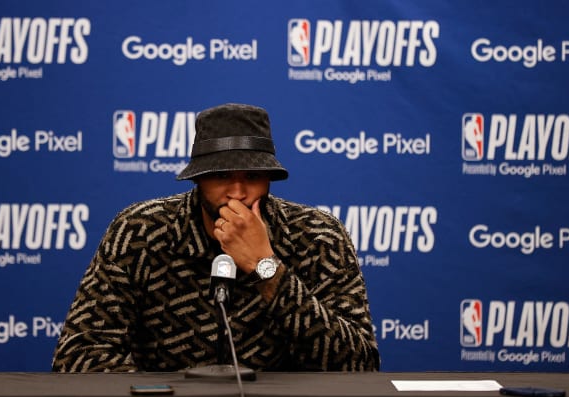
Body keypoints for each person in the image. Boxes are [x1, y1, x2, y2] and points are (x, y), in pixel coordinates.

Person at [52, 103, 380, 372]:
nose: (237, 192)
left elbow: (359, 365)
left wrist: (266, 267)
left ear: (269, 178)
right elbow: (80, 353)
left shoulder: (318, 235)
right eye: (222, 176)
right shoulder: (140, 232)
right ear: (199, 179)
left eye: (252, 176)